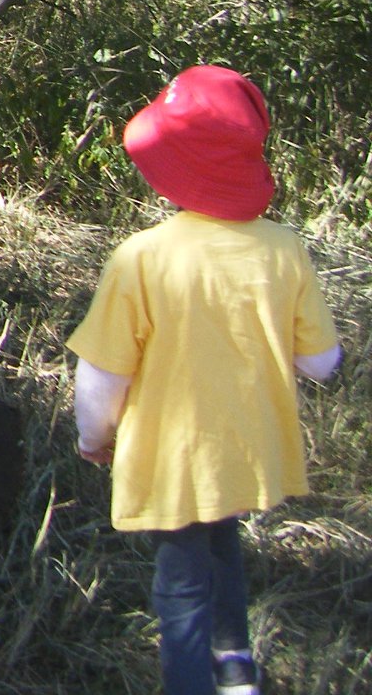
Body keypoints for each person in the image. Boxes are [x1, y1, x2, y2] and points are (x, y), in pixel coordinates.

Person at [67, 65, 342, 695]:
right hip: (247, 450)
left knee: (181, 587)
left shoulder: (142, 258)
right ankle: (237, 671)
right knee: (223, 549)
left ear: (172, 171)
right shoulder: (284, 249)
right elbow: (322, 362)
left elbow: (103, 373)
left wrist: (92, 437)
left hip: (174, 456)